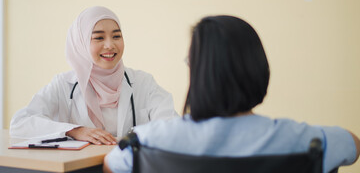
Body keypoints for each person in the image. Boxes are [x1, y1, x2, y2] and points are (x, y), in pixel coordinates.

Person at [104, 15, 359, 172]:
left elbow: (111, 165)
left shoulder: (146, 142)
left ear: (197, 73)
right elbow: (352, 144)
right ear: (260, 69)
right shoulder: (302, 140)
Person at [10, 6, 177, 145]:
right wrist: (74, 130)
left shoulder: (142, 82)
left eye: (117, 36)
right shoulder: (63, 84)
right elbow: (20, 123)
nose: (110, 45)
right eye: (98, 38)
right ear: (81, 43)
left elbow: (173, 127)